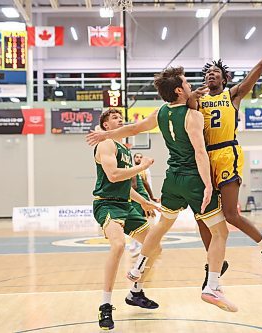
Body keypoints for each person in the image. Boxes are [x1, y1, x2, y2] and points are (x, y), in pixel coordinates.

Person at [87, 67, 238, 312]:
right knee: (220, 232)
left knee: (163, 224)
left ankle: (138, 268)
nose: (190, 85)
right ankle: (212, 286)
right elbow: (200, 153)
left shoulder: (159, 113)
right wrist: (208, 184)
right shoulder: (193, 116)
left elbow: (133, 129)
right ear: (179, 90)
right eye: (187, 83)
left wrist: (108, 133)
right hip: (192, 179)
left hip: (171, 180)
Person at [190, 20, 262, 285]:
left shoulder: (233, 95)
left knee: (230, 214)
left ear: (224, 78)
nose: (211, 75)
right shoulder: (197, 100)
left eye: (216, 72)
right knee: (201, 215)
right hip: (205, 159)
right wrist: (192, 94)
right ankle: (216, 260)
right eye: (208, 73)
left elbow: (260, 67)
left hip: (227, 153)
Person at [92, 109, 160, 330]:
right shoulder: (106, 145)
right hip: (106, 203)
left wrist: (143, 201)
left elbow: (124, 186)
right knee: (118, 245)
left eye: (121, 117)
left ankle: (135, 292)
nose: (119, 119)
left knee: (154, 246)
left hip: (125, 203)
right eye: (114, 118)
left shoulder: (125, 150)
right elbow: (112, 176)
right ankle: (105, 305)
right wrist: (141, 167)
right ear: (105, 126)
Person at [129, 153, 160, 257]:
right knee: (143, 221)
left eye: (140, 157)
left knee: (138, 221)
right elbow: (145, 183)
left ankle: (143, 246)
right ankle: (139, 245)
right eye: (136, 157)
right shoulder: (136, 170)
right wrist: (151, 197)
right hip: (143, 197)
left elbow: (134, 186)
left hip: (139, 199)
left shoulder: (132, 170)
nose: (138, 158)